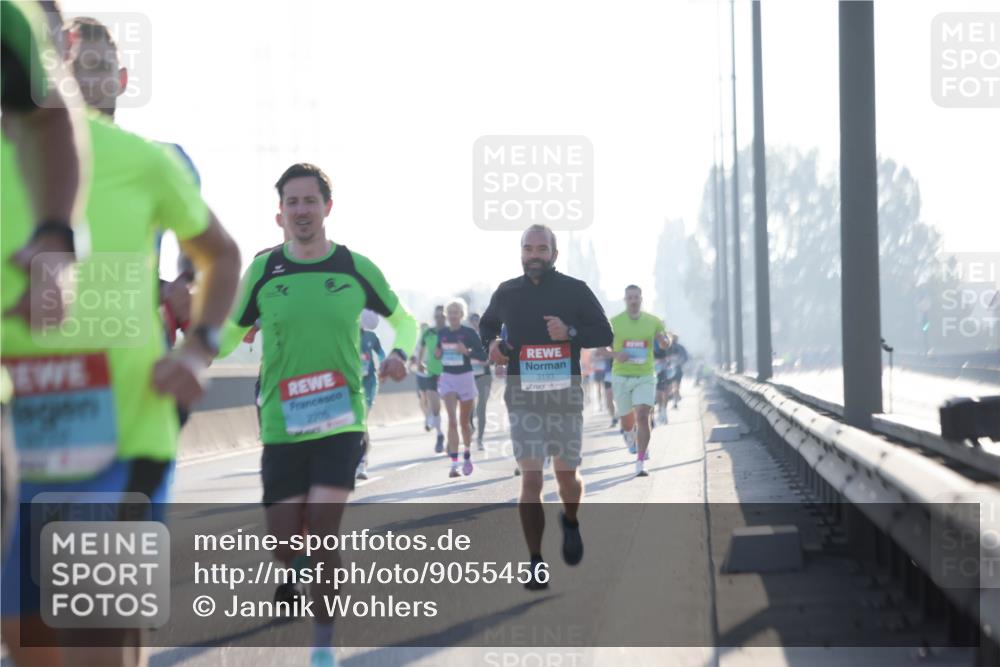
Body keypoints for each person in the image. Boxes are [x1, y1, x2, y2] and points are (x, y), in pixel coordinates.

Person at [1, 48, 241, 667]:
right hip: (13, 442)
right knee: (33, 649)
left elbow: (218, 256)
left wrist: (196, 349)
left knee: (96, 641)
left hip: (123, 430)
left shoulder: (145, 159)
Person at [217, 163, 416, 667]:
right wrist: (187, 340)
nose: (301, 210)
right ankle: (295, 563)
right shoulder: (263, 271)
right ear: (278, 214)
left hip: (340, 417)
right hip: (282, 423)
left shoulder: (355, 267)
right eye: (292, 203)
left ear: (328, 208)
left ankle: (323, 642)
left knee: (325, 527)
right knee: (286, 543)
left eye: (310, 201)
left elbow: (404, 321)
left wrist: (399, 355)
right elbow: (223, 338)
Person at [480, 224, 612, 590]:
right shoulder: (507, 292)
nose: (533, 255)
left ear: (554, 254)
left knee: (566, 475)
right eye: (527, 248)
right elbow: (488, 326)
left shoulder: (575, 291)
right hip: (522, 393)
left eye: (541, 249)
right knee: (532, 478)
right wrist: (492, 344)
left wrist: (570, 334)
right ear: (520, 252)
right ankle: (535, 560)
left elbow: (604, 334)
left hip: (565, 392)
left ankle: (570, 520)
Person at [607, 286, 671, 477]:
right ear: (625, 300)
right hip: (621, 377)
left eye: (636, 297)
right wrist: (617, 354)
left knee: (642, 416)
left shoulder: (653, 321)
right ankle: (629, 435)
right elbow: (601, 350)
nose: (633, 300)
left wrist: (664, 341)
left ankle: (641, 461)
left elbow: (666, 341)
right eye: (630, 298)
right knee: (627, 421)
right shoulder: (614, 322)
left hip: (645, 376)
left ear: (641, 299)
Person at [434, 299, 487, 477]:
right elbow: (438, 351)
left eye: (456, 313)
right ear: (447, 316)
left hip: (465, 378)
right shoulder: (442, 333)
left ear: (461, 315)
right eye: (450, 313)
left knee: (464, 423)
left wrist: (467, 352)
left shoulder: (469, 333)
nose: (453, 316)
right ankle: (454, 465)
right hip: (448, 378)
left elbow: (482, 354)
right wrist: (438, 353)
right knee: (452, 420)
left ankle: (467, 456)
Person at [357, 309, 385, 480]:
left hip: (368, 383)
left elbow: (381, 355)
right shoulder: (343, 336)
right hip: (349, 383)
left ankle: (362, 462)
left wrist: (385, 365)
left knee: (362, 421)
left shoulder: (371, 337)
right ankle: (360, 453)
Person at [414, 306, 445, 452]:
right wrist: (420, 362)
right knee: (435, 407)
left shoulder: (452, 332)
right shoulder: (429, 332)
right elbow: (421, 348)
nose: (439, 318)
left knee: (452, 408)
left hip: (450, 373)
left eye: (441, 316)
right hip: (432, 373)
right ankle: (440, 435)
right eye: (437, 316)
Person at [467, 312, 493, 450]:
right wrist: (478, 357)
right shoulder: (466, 336)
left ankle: (480, 439)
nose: (475, 322)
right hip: (470, 375)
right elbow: (464, 354)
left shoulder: (485, 336)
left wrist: (487, 360)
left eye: (477, 320)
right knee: (469, 406)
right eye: (472, 320)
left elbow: (489, 355)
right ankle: (471, 428)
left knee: (482, 407)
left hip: (485, 376)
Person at [666, 334, 689, 408]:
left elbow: (685, 357)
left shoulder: (680, 348)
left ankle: (674, 402)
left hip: (675, 369)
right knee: (673, 387)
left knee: (675, 387)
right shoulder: (668, 347)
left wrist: (679, 362)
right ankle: (674, 401)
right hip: (671, 369)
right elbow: (685, 358)